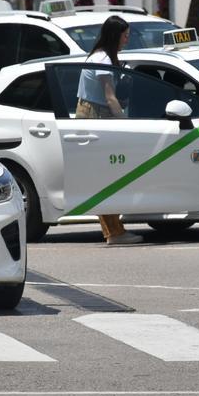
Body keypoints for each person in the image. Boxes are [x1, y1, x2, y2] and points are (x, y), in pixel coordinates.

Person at [76, 15, 143, 246]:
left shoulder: (102, 56)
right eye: (125, 35)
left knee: (105, 176)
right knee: (107, 177)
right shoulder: (103, 59)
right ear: (116, 36)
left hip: (93, 114)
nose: (127, 39)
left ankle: (114, 230)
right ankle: (114, 232)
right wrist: (126, 124)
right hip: (96, 115)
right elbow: (109, 97)